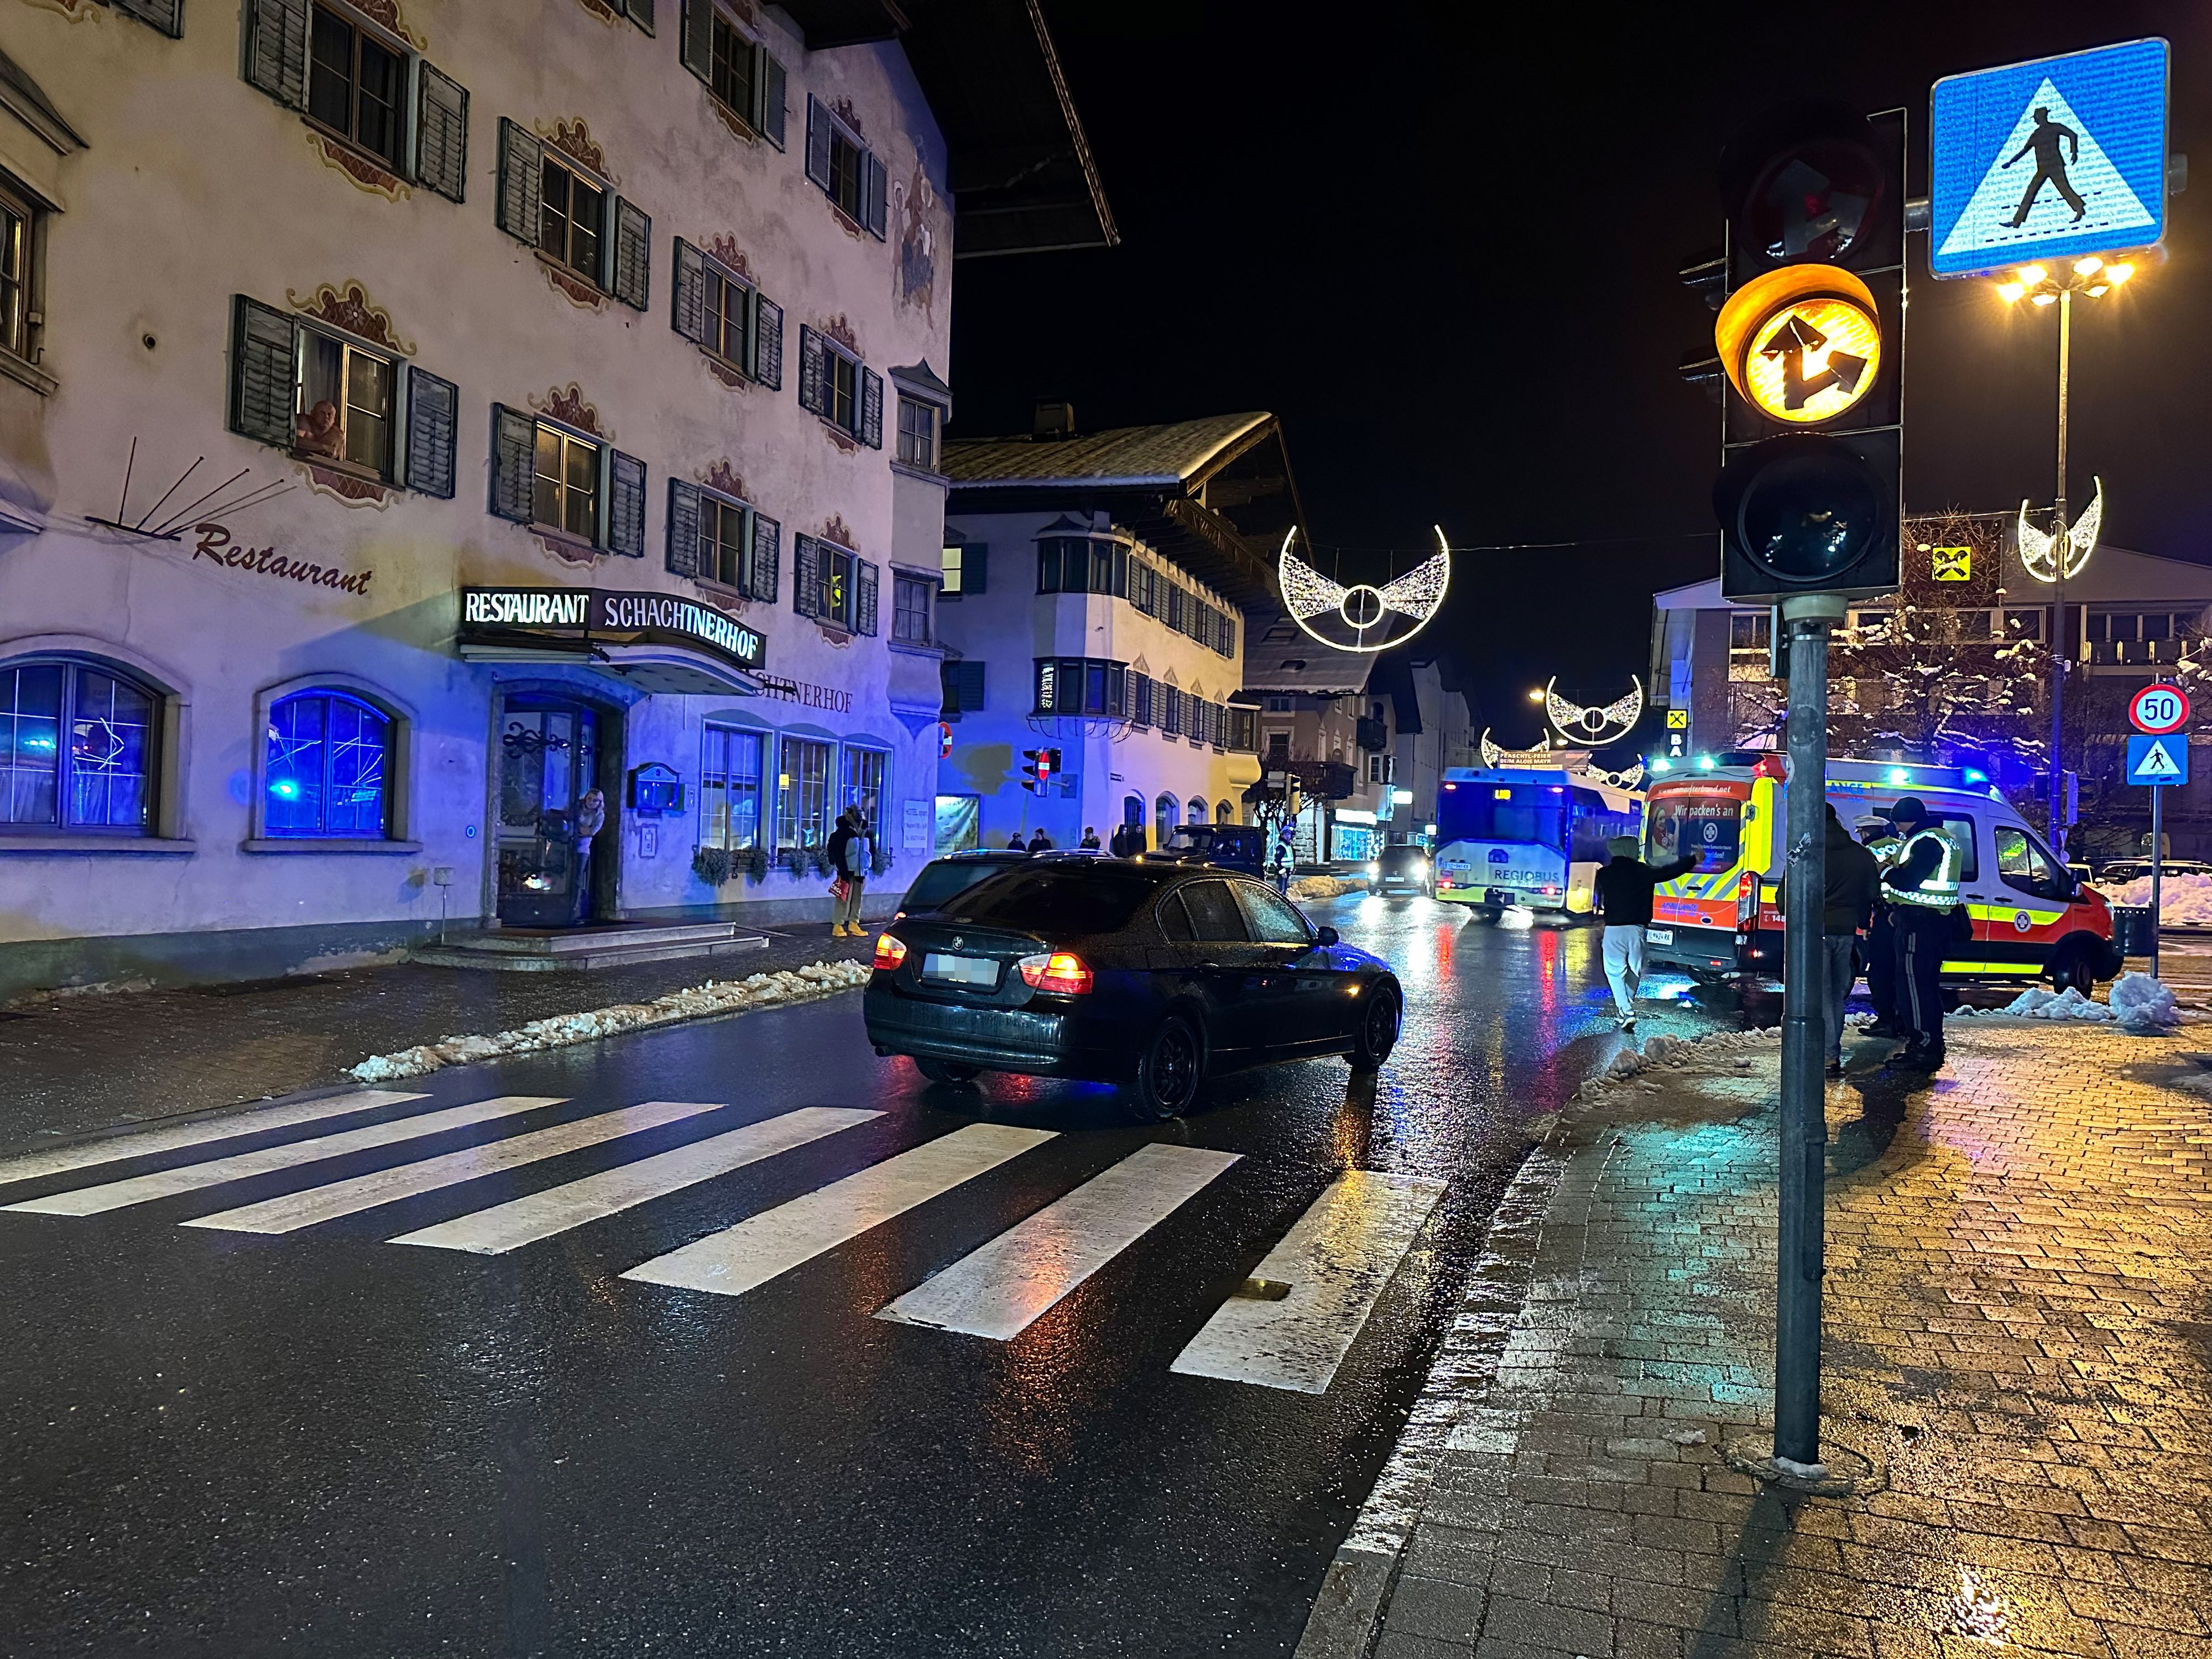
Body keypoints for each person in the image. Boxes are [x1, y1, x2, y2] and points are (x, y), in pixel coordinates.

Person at [1882, 796, 1968, 1071]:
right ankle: (1926, 1044)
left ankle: (1924, 1047)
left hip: (1920, 924)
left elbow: (1908, 881)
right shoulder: (1941, 838)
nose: (1897, 829)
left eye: (1898, 822)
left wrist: (1885, 871)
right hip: (1930, 921)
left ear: (1907, 819)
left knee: (1915, 987)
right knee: (1923, 986)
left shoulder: (1926, 841)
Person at [1593, 834, 1698, 1030]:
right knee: (1634, 971)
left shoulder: (1604, 874)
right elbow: (1670, 872)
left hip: (1614, 930)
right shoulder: (1643, 872)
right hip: (1637, 930)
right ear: (1630, 851)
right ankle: (1625, 1010)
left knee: (1614, 972)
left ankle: (1626, 1011)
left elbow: (1602, 897)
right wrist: (1692, 860)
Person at [1819, 803, 1884, 1078]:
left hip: (1815, 932)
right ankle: (1830, 1057)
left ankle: (1817, 1057)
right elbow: (1871, 892)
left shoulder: (1810, 852)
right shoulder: (1860, 854)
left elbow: (1786, 899)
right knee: (1835, 996)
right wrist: (1861, 923)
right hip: (1845, 934)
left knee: (1817, 995)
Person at [1855, 815, 1903, 1037]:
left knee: (1879, 972)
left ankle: (1886, 1020)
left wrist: (1864, 923)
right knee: (1899, 971)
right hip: (1904, 915)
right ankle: (1901, 1019)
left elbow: (1866, 890)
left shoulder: (1869, 853)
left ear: (1865, 832)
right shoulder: (1900, 847)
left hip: (1885, 918)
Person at [2004, 106, 2085, 227]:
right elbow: (2024, 151)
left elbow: (2072, 135)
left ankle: (2079, 209)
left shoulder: (2053, 128)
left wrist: (2074, 152)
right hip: (2043, 168)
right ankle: (2017, 221)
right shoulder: (2036, 134)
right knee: (2031, 191)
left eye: (2036, 118)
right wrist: (2010, 163)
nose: (2035, 121)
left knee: (2064, 189)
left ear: (2040, 118)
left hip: (2055, 166)